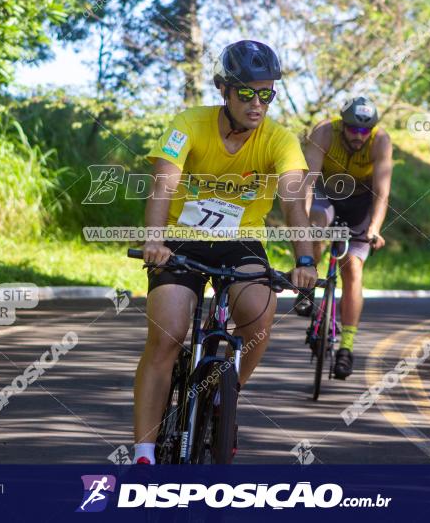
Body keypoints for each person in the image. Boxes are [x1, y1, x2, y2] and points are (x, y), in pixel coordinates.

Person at [133, 40, 318, 464]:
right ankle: (143, 452)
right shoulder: (189, 124)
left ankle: (225, 395)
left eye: (267, 94)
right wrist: (154, 240)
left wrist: (305, 260)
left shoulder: (280, 140)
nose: (257, 104)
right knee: (168, 334)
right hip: (182, 238)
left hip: (241, 242)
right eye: (247, 93)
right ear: (224, 90)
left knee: (258, 312)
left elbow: (293, 201)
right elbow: (163, 183)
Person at [294, 96, 393, 379]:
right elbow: (308, 182)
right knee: (314, 224)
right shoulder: (325, 131)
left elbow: (382, 193)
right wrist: (302, 222)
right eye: (353, 129)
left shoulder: (380, 140)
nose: (358, 136)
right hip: (328, 194)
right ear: (343, 124)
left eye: (365, 131)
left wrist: (374, 228)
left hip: (361, 202)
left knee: (352, 267)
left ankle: (346, 347)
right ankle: (307, 280)